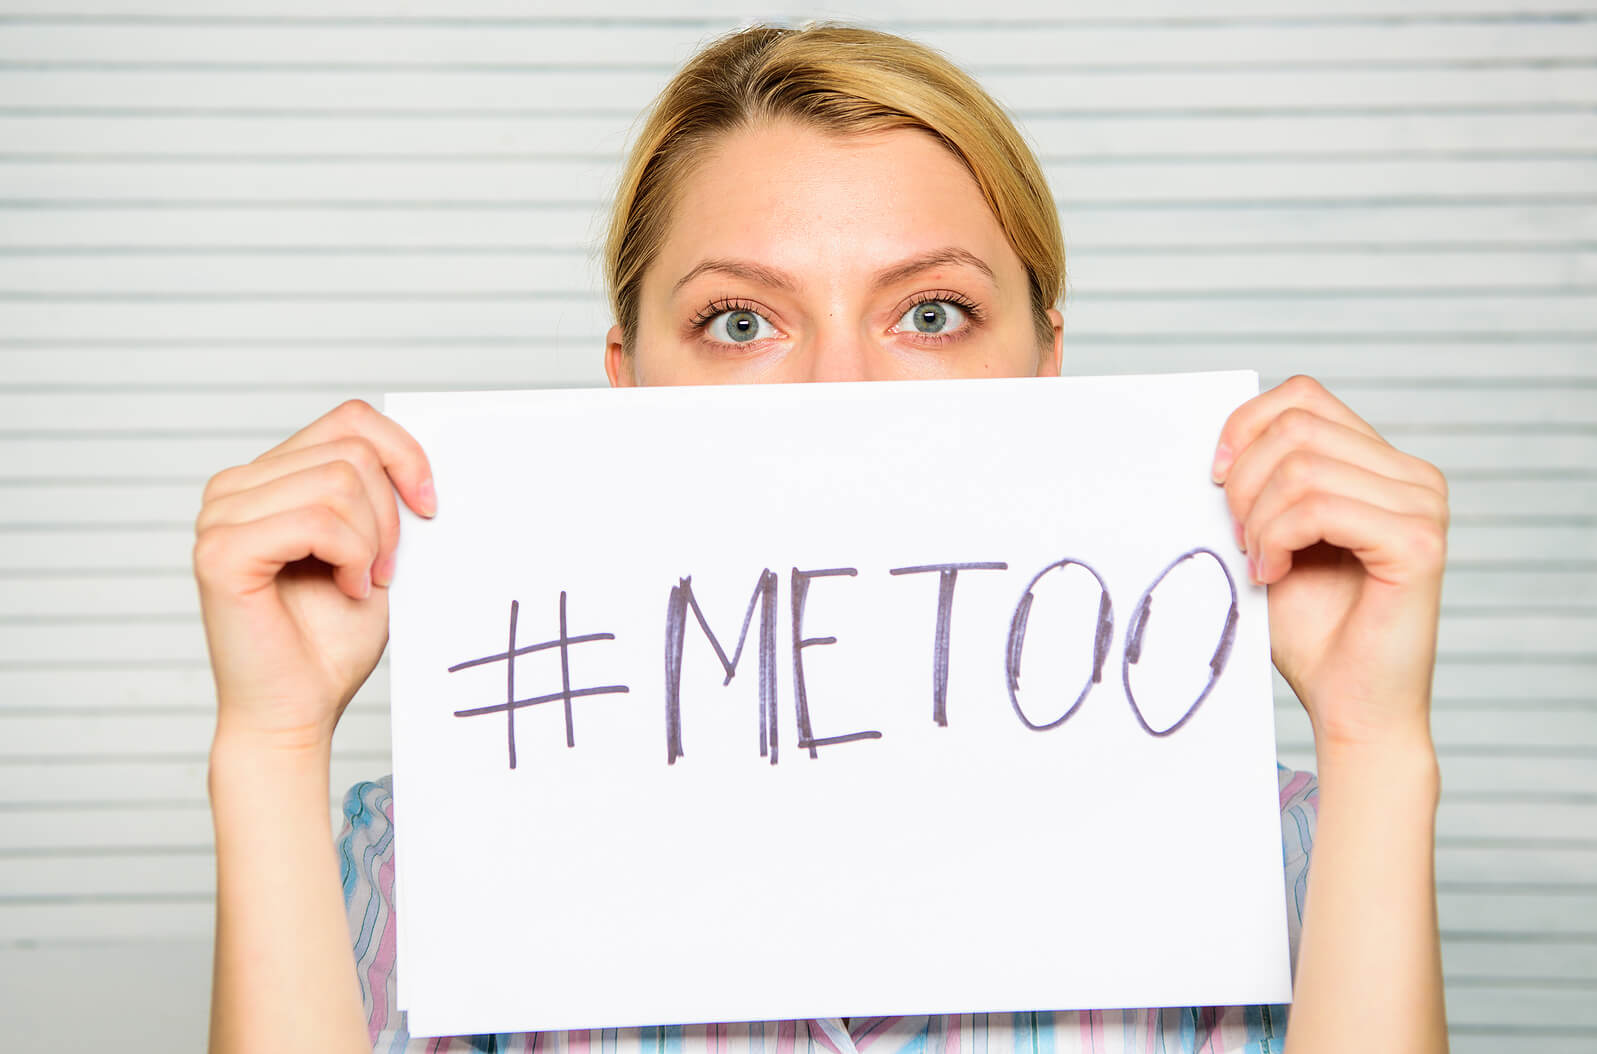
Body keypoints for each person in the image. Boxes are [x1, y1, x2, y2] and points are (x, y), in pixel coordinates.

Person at [195, 23, 1449, 1054]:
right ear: (625, 389)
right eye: (742, 322)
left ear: (1047, 368)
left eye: (933, 312)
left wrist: (1373, 739)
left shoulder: (1276, 850)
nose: (840, 387)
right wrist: (270, 743)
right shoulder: (419, 856)